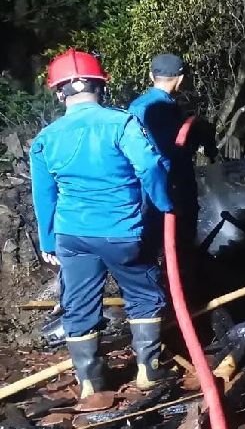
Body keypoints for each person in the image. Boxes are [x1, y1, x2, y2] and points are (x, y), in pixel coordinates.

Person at [30, 50, 174, 397]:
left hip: (72, 236)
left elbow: (44, 196)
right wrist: (164, 203)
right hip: (120, 232)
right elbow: (151, 167)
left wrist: (48, 242)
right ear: (100, 87)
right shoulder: (121, 124)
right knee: (143, 295)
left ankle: (90, 386)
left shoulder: (45, 139)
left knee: (78, 305)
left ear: (59, 92)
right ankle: (148, 372)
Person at [128, 54, 215, 284]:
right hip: (172, 188)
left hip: (141, 189)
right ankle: (181, 289)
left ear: (150, 76)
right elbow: (166, 155)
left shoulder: (135, 106)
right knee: (179, 245)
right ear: (181, 79)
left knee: (147, 245)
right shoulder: (165, 110)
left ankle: (150, 290)